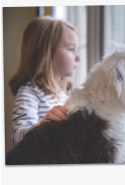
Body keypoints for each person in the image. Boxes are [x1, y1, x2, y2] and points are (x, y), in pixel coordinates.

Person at [9, 16, 80, 147]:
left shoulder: (69, 92)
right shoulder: (29, 92)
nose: (78, 57)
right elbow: (16, 138)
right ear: (47, 53)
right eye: (71, 49)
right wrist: (43, 126)